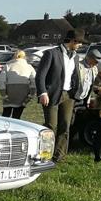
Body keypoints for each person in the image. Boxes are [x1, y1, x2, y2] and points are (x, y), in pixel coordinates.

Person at [36, 28, 83, 162]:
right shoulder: (51, 53)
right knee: (51, 126)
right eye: (79, 43)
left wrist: (76, 92)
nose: (81, 46)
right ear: (73, 41)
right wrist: (43, 92)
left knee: (65, 125)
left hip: (68, 95)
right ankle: (45, 154)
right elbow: (40, 76)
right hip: (52, 94)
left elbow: (74, 75)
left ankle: (59, 156)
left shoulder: (76, 56)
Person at [0, 50, 36, 118]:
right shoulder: (29, 67)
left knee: (5, 114)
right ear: (24, 57)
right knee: (17, 116)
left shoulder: (8, 66)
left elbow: (1, 81)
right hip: (23, 95)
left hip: (9, 94)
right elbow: (34, 82)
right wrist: (30, 96)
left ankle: (4, 127)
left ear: (14, 56)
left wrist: (3, 95)